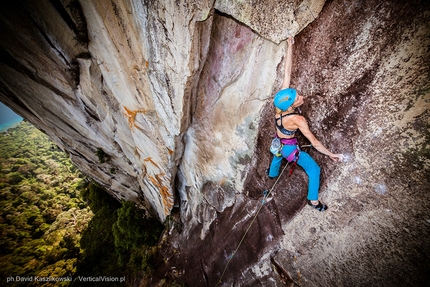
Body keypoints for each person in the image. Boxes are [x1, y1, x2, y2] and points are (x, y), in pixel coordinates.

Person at [267, 37, 343, 212]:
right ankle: (313, 201)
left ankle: (271, 175)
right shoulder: (298, 120)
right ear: (292, 105)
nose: (301, 97)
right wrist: (331, 154)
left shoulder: (279, 104)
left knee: (276, 155)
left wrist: (290, 47)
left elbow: (287, 73)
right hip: (290, 150)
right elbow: (315, 143)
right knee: (314, 170)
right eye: (297, 98)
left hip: (278, 140)